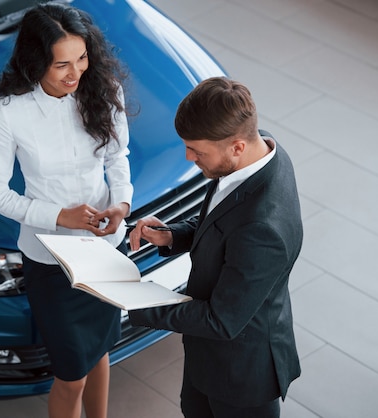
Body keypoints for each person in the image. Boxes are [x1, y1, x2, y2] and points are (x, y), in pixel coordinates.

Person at [0, 3, 133, 418]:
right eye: (61, 63)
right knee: (71, 373)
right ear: (35, 61)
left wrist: (121, 202)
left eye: (82, 58)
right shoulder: (10, 113)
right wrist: (58, 216)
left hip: (105, 248)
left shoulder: (103, 89)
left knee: (100, 350)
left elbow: (119, 158)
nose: (75, 73)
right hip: (50, 260)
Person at [128, 76, 302, 418]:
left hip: (241, 378)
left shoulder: (263, 228)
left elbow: (222, 320)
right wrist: (173, 235)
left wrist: (133, 304)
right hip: (209, 357)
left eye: (197, 151)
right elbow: (225, 222)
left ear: (237, 146)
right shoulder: (260, 151)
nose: (188, 156)